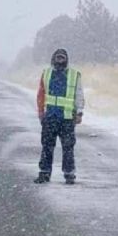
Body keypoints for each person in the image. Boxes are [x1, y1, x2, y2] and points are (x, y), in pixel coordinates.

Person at [35, 48, 85, 185]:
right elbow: (41, 94)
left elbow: (79, 94)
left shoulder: (75, 75)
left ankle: (69, 174)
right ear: (53, 59)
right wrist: (40, 112)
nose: (60, 60)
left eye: (63, 58)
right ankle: (44, 173)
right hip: (50, 117)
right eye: (58, 57)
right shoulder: (46, 73)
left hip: (67, 118)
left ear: (66, 60)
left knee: (68, 147)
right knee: (47, 146)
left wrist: (79, 112)